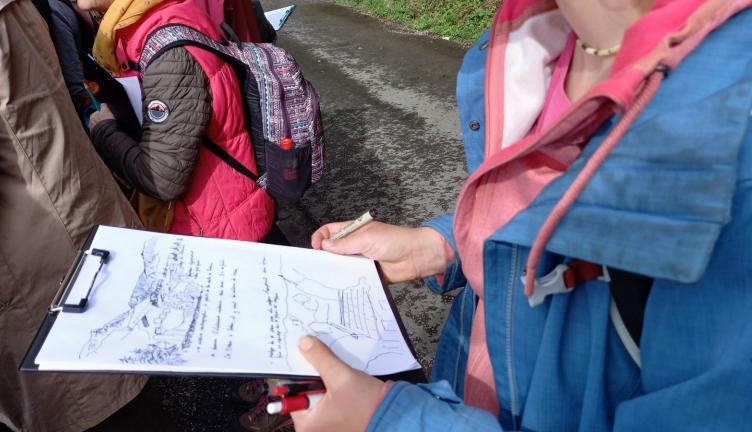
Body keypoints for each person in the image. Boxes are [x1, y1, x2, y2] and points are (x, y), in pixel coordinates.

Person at [292, 0, 752, 430]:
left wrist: (395, 421)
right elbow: (538, 208)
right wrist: (437, 246)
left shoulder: (734, 122)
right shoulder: (538, 35)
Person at [0, 0, 175, 429]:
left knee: (96, 406)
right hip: (85, 234)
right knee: (125, 393)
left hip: (31, 282)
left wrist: (106, 128)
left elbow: (164, 174)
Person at [79, 0, 278, 241]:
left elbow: (161, 179)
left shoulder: (168, 49)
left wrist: (103, 129)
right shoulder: (149, 27)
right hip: (218, 218)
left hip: (218, 235)